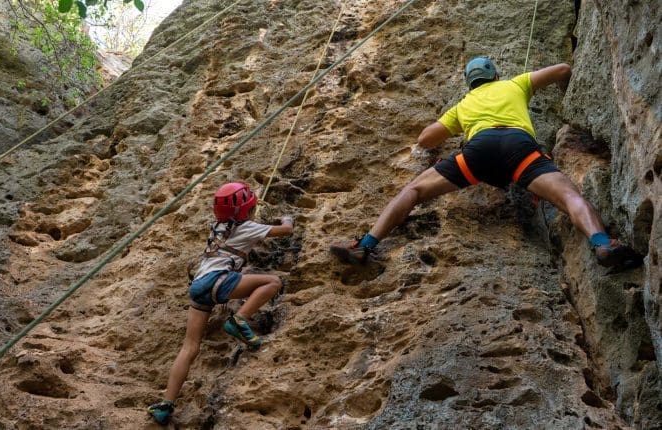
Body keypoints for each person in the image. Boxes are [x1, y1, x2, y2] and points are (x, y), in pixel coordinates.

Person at [331, 57, 642, 271]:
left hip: (478, 151)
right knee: (571, 196)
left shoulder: (464, 104)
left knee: (413, 190)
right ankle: (602, 244)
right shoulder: (515, 84)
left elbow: (426, 138)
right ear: (494, 75)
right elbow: (563, 68)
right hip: (520, 150)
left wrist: (449, 130)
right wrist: (566, 96)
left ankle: (366, 244)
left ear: (470, 84)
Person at [148, 182, 294, 424]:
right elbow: (286, 231)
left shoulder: (218, 226)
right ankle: (239, 319)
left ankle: (166, 404)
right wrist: (287, 218)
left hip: (199, 286)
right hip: (218, 281)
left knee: (189, 348)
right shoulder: (249, 227)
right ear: (248, 209)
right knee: (273, 282)